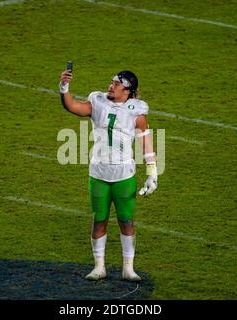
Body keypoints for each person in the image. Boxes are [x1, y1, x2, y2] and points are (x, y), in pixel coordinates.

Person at [59, 68, 158, 281]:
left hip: (124, 173)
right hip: (98, 172)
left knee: (126, 221)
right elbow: (72, 106)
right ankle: (99, 267)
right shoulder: (98, 101)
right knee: (99, 220)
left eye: (116, 84)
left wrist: (152, 173)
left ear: (128, 91)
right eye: (111, 81)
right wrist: (64, 87)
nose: (111, 86)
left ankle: (128, 269)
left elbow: (145, 141)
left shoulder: (136, 110)